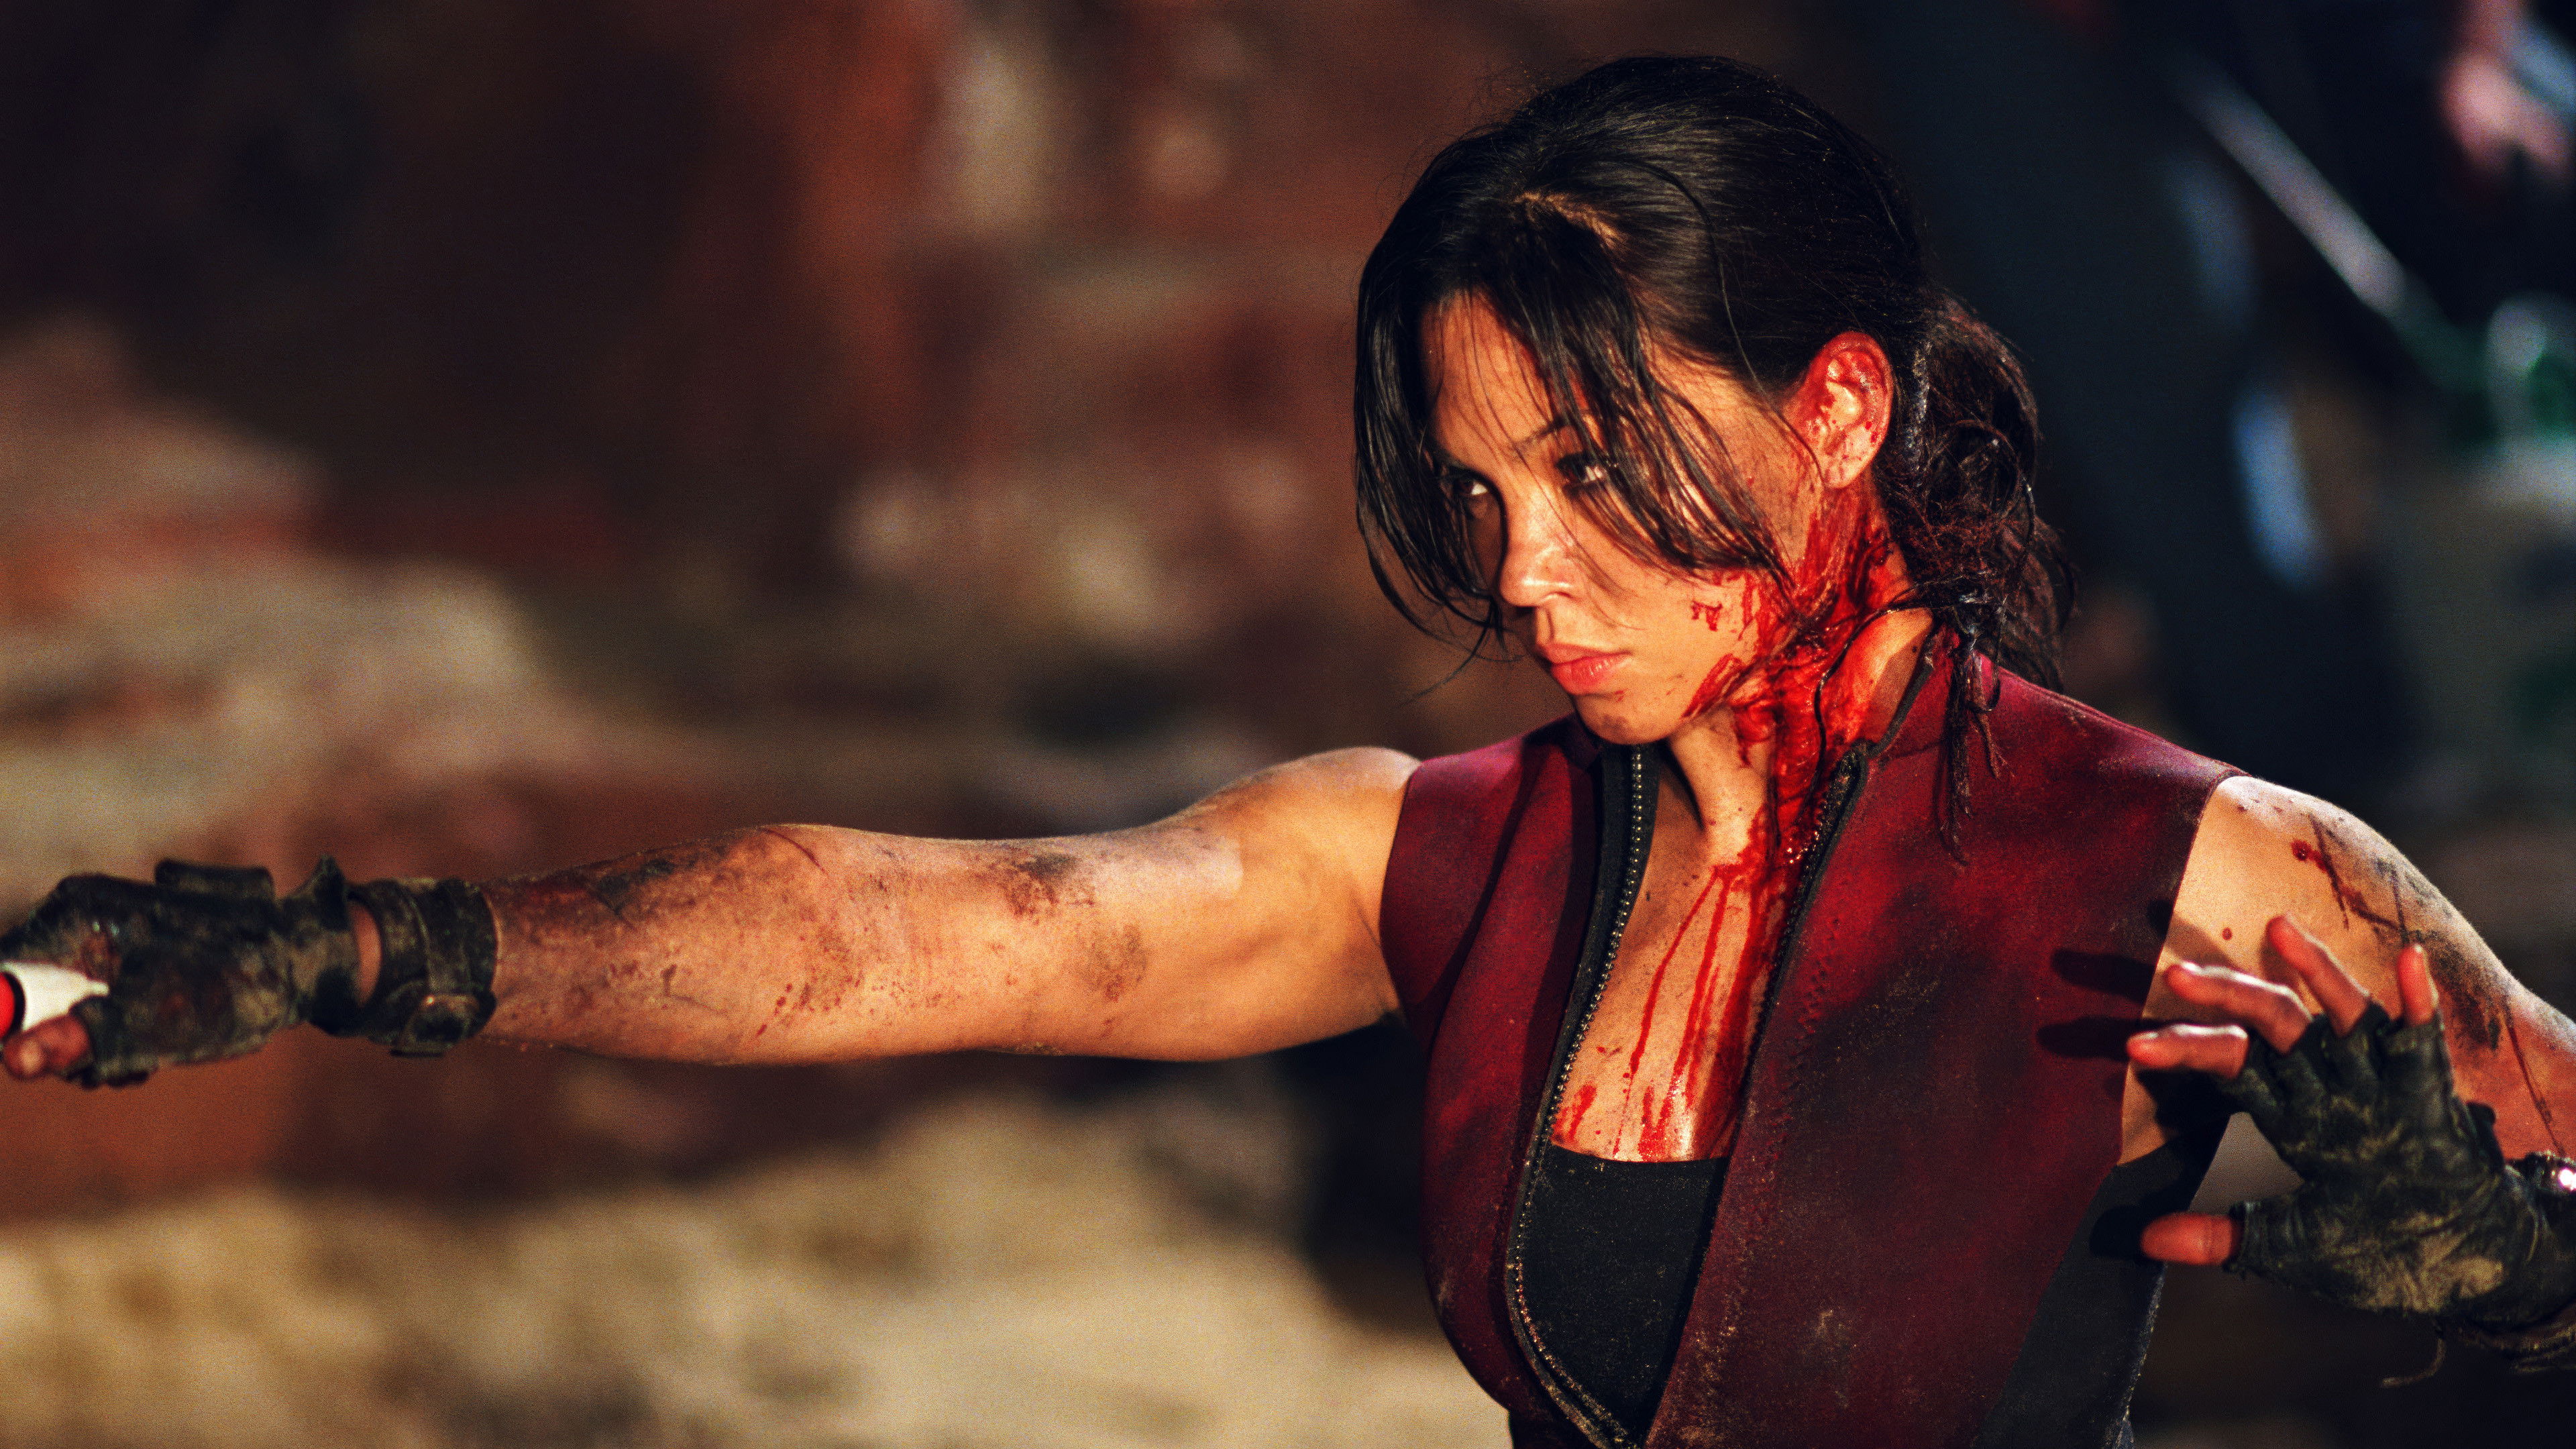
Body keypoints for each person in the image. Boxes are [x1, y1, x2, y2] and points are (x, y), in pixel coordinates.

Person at [5, 56, 2574, 1449]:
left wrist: (2511, 1260)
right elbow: (932, 928)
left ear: (1835, 412)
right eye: (1478, 493)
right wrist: (361, 953)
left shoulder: (2195, 865)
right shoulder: (1446, 862)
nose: (1523, 570)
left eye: (1592, 471)